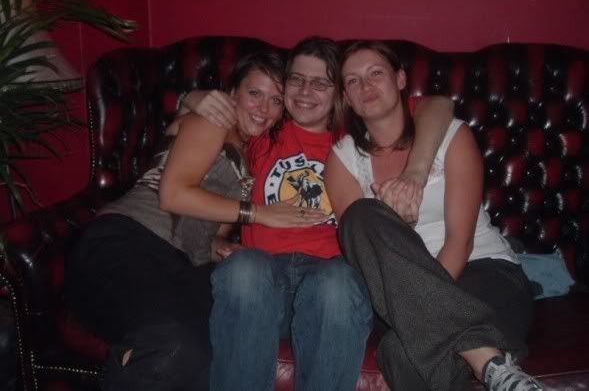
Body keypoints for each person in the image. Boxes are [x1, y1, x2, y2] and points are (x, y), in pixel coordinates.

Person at [183, 36, 455, 391]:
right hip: (265, 280)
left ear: (339, 92)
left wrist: (416, 171)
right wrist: (191, 98)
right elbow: (221, 166)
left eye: (320, 83)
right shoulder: (263, 129)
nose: (305, 91)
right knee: (244, 268)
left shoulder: (353, 137)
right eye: (296, 79)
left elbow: (439, 104)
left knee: (336, 283)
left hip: (332, 277)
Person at [64, 50, 325, 391]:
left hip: (179, 263)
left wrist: (225, 248)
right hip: (128, 240)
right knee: (172, 343)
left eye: (275, 100)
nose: (264, 108)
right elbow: (173, 195)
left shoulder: (254, 155)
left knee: (203, 351)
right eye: (254, 93)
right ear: (231, 93)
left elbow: (207, 231)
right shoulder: (213, 121)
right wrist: (261, 213)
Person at [325, 40, 543, 391]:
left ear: (400, 79)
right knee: (360, 215)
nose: (364, 85)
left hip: (482, 269)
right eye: (352, 81)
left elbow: (461, 240)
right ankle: (491, 363)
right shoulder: (343, 159)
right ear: (346, 97)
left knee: (401, 353)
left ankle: (479, 355)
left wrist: (424, 307)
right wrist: (400, 228)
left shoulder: (451, 135)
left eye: (375, 73)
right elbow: (362, 253)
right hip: (392, 294)